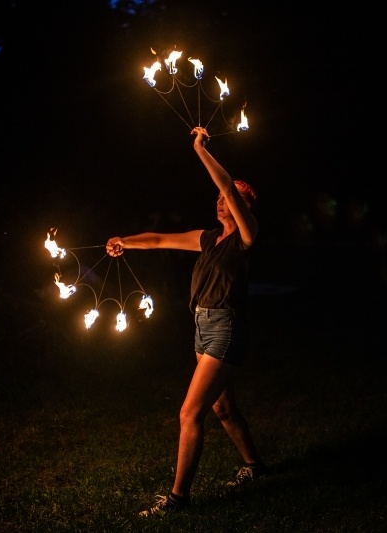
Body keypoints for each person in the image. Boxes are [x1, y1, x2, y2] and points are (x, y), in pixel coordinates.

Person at [106, 126, 266, 517]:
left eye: (231, 199)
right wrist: (125, 241)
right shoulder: (208, 239)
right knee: (222, 409)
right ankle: (255, 466)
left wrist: (199, 149)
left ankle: (178, 499)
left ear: (246, 206)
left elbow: (227, 186)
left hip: (226, 328)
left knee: (189, 413)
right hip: (202, 328)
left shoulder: (246, 238)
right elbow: (160, 239)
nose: (222, 202)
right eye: (220, 199)